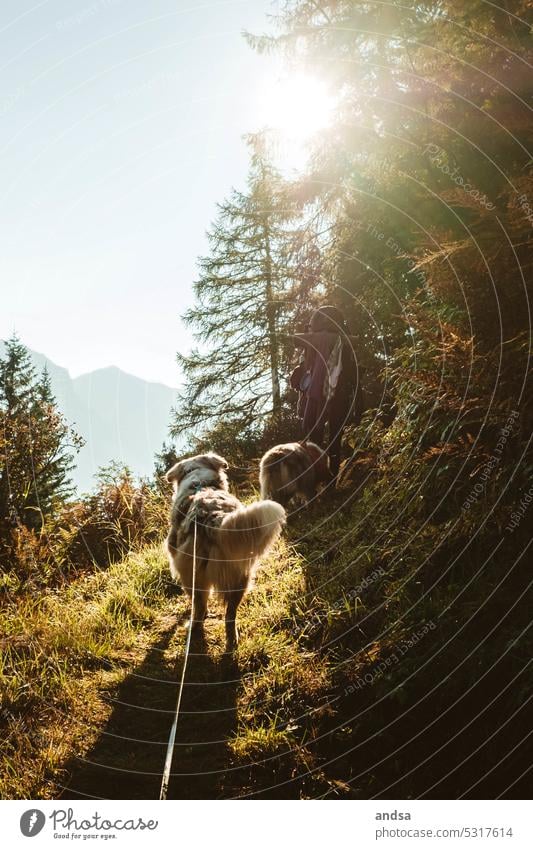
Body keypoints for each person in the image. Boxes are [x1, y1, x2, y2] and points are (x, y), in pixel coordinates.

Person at [291, 305, 363, 476]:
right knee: (335, 436)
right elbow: (352, 368)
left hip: (320, 394)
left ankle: (318, 477)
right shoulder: (344, 340)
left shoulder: (311, 340)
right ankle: (330, 478)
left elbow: (301, 355)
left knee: (316, 435)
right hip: (338, 391)